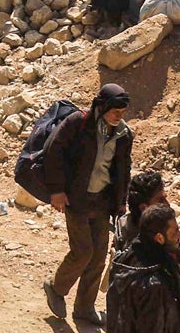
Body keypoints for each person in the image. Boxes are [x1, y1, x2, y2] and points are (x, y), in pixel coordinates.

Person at [42, 83, 135, 326]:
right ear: (103, 106)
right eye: (115, 110)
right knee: (83, 252)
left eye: (122, 112)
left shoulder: (123, 134)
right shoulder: (79, 123)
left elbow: (123, 170)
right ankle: (56, 287)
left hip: (102, 202)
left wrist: (121, 203)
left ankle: (84, 309)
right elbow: (53, 151)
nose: (119, 116)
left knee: (98, 258)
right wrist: (57, 190)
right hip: (77, 198)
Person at [107, 202, 180, 333]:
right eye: (175, 231)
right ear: (159, 238)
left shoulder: (131, 255)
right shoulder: (154, 283)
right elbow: (170, 307)